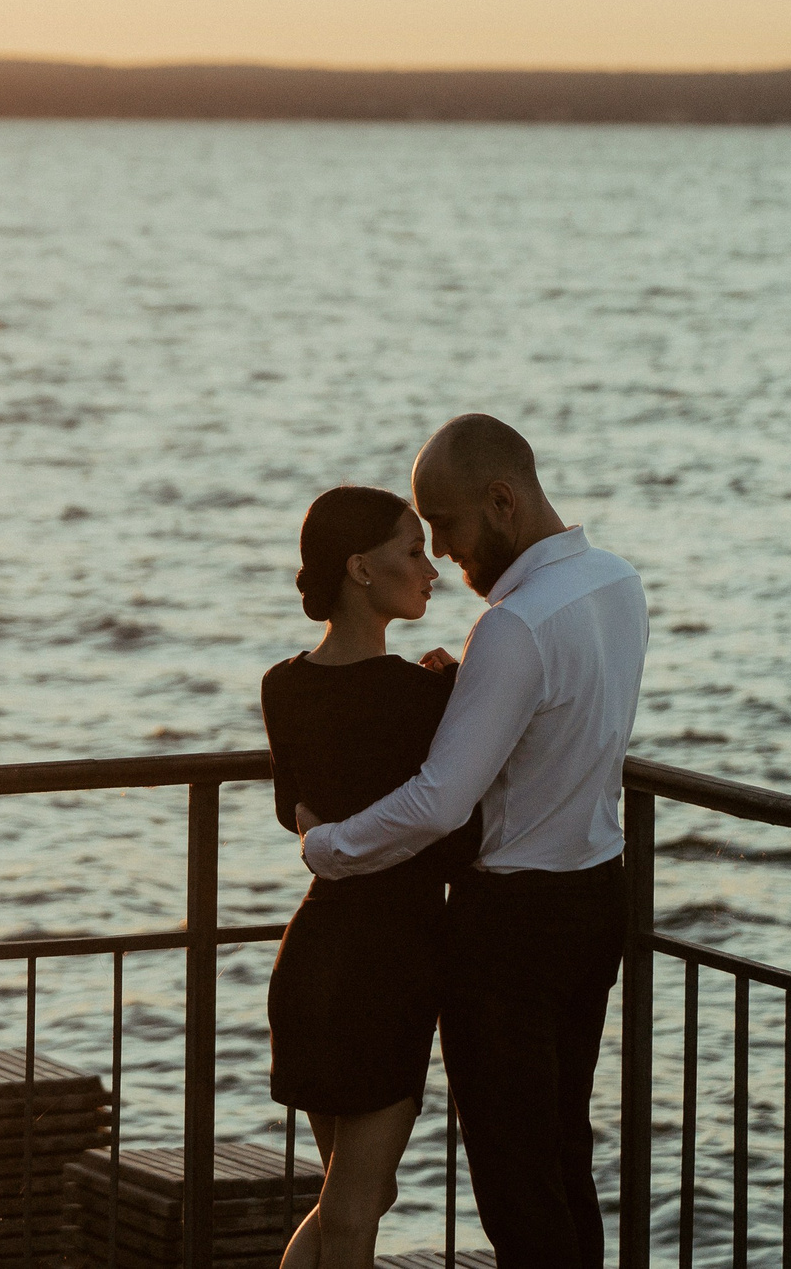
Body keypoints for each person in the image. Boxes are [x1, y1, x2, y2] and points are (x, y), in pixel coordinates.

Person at [297, 416, 648, 1269]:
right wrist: (462, 684)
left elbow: (437, 802)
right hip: (600, 895)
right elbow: (555, 723)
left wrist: (330, 847)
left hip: (512, 931)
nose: (445, 555)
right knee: (567, 1158)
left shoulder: (514, 626)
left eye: (447, 526)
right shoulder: (617, 583)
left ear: (502, 500)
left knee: (516, 1185)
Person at [263, 485, 483, 1269]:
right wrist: (455, 685)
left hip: (313, 956)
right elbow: (461, 837)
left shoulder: (281, 684)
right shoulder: (426, 696)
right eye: (413, 550)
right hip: (387, 966)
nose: (431, 569)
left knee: (348, 1197)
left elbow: (298, 809)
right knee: (355, 1210)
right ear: (360, 568)